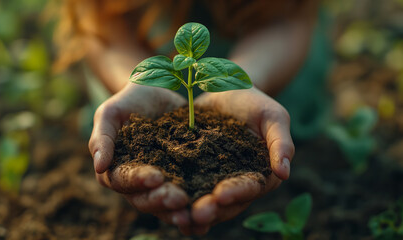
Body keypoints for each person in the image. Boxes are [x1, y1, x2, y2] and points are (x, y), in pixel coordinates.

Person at [55, 0, 318, 235]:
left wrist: (247, 83)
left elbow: (288, 14)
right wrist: (133, 84)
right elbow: (99, 18)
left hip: (265, 52)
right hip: (138, 45)